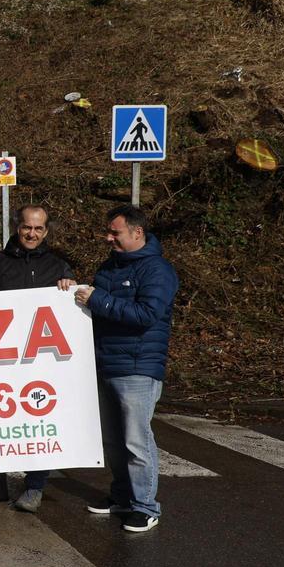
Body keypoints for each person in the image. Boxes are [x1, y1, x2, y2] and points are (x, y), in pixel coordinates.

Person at [70, 205, 178, 533]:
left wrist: (97, 301)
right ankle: (121, 496)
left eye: (115, 233)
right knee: (113, 441)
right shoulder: (109, 267)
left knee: (136, 440)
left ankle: (145, 505)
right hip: (105, 364)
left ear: (137, 232)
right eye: (108, 232)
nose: (109, 237)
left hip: (137, 368)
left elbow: (146, 314)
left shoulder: (157, 271)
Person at [0, 205, 77, 512]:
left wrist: (69, 288)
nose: (31, 234)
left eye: (38, 229)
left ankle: (35, 486)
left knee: (40, 420)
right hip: (1, 360)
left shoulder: (58, 267)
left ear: (46, 232)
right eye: (26, 228)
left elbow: (73, 302)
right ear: (15, 227)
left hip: (41, 363)